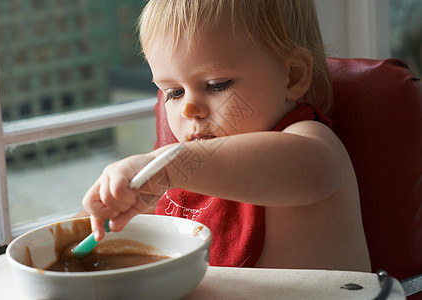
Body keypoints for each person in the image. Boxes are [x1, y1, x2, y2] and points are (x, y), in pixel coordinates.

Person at [82, 0, 371, 272]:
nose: (189, 109)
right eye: (174, 93)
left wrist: (165, 166)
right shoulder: (184, 169)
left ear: (293, 76)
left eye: (216, 85)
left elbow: (304, 171)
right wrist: (111, 206)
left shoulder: (310, 144)